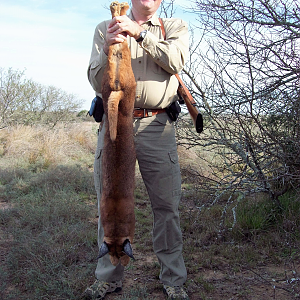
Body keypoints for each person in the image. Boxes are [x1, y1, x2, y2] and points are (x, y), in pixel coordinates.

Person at [84, 0, 189, 299]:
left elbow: (176, 61)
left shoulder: (175, 26)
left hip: (157, 126)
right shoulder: (105, 28)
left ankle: (173, 280)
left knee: (167, 207)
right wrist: (108, 49)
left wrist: (140, 34)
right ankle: (108, 277)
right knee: (108, 204)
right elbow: (94, 80)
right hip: (115, 125)